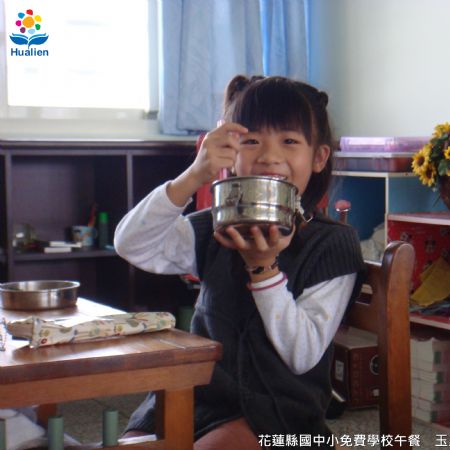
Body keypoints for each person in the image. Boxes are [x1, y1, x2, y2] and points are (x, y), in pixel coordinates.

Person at [114, 75, 365, 449]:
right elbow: (131, 244)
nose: (269, 156)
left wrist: (263, 268)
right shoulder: (217, 227)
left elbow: (302, 355)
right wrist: (193, 175)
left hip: (277, 415)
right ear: (231, 154)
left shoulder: (331, 244)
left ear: (318, 157)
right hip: (196, 394)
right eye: (251, 141)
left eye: (289, 141)